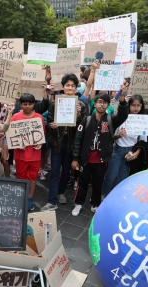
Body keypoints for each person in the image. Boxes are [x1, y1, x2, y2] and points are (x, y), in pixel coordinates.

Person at [70, 88, 129, 215]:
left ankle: (95, 204)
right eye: (99, 102)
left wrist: (122, 99)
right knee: (82, 182)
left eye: (105, 102)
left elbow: (123, 115)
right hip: (85, 158)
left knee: (98, 183)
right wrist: (75, 158)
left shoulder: (110, 119)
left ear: (108, 105)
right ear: (95, 104)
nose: (102, 105)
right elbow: (78, 140)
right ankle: (78, 204)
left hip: (102, 159)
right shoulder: (86, 120)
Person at [41, 73, 89, 210]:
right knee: (55, 172)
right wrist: (51, 126)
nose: (70, 88)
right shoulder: (55, 103)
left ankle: (61, 192)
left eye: (73, 86)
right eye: (67, 85)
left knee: (67, 172)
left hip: (71, 144)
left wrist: (79, 115)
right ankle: (51, 201)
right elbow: (50, 120)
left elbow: (84, 126)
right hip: (57, 143)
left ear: (76, 88)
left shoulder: (82, 105)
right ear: (62, 87)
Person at [101, 94, 148, 198]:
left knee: (123, 178)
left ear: (141, 106)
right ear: (129, 106)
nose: (136, 108)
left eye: (138, 105)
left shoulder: (142, 120)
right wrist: (119, 135)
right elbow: (111, 137)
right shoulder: (122, 117)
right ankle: (104, 195)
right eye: (133, 105)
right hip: (118, 149)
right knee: (111, 176)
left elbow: (142, 141)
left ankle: (117, 196)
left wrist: (137, 152)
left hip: (131, 151)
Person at [11, 93, 45, 211]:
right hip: (20, 155)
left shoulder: (39, 117)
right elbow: (12, 136)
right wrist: (17, 144)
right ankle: (21, 197)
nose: (27, 106)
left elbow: (42, 134)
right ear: (20, 105)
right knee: (21, 177)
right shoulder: (15, 117)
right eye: (25, 104)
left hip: (35, 155)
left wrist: (40, 143)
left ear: (34, 104)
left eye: (30, 104)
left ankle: (30, 198)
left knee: (33, 178)